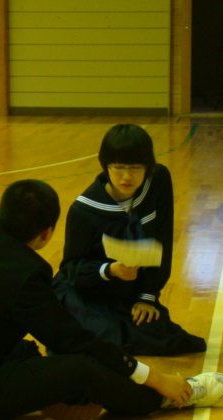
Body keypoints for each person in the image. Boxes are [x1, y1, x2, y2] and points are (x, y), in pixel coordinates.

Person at [0, 179, 223, 420]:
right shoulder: (27, 272)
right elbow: (75, 341)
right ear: (47, 232)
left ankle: (40, 403)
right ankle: (170, 396)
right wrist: (153, 377)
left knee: (24, 350)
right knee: (81, 370)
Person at [53, 124, 207, 356]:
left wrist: (148, 297)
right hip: (88, 291)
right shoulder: (83, 210)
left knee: (168, 339)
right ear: (105, 165)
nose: (126, 176)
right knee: (104, 339)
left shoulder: (158, 181)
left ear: (148, 166)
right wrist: (110, 270)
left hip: (129, 291)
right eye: (118, 167)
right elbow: (71, 268)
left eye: (135, 168)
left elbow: (163, 241)